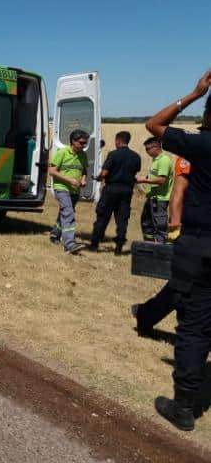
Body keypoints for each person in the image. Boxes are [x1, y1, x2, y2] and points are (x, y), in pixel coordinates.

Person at [144, 67, 211, 431]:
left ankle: (184, 406)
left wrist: (194, 93)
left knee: (194, 327)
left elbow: (154, 125)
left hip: (200, 245)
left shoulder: (201, 144)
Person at [131, 156, 191, 336]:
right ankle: (150, 315)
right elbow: (179, 191)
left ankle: (148, 314)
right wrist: (175, 224)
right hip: (197, 230)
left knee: (187, 283)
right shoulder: (190, 157)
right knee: (186, 282)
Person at [88, 131, 141, 254]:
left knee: (102, 217)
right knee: (122, 219)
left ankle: (94, 244)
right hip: (127, 190)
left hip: (111, 189)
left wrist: (98, 178)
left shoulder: (113, 154)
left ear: (118, 140)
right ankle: (119, 248)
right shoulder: (136, 156)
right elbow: (135, 172)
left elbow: (105, 173)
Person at [48, 129, 89, 254]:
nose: (84, 146)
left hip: (75, 190)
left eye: (85, 143)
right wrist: (70, 180)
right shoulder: (62, 153)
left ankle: (55, 234)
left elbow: (84, 171)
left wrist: (83, 180)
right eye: (81, 143)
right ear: (73, 141)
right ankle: (70, 244)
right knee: (69, 213)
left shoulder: (83, 154)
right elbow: (52, 171)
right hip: (61, 188)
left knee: (65, 213)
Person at [137, 137, 173, 243]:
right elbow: (152, 177)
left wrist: (143, 180)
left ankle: (161, 249)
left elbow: (161, 180)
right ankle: (150, 245)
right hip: (152, 197)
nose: (146, 152)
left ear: (156, 147)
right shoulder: (155, 159)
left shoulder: (164, 160)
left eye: (148, 149)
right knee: (146, 223)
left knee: (159, 225)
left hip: (160, 199)